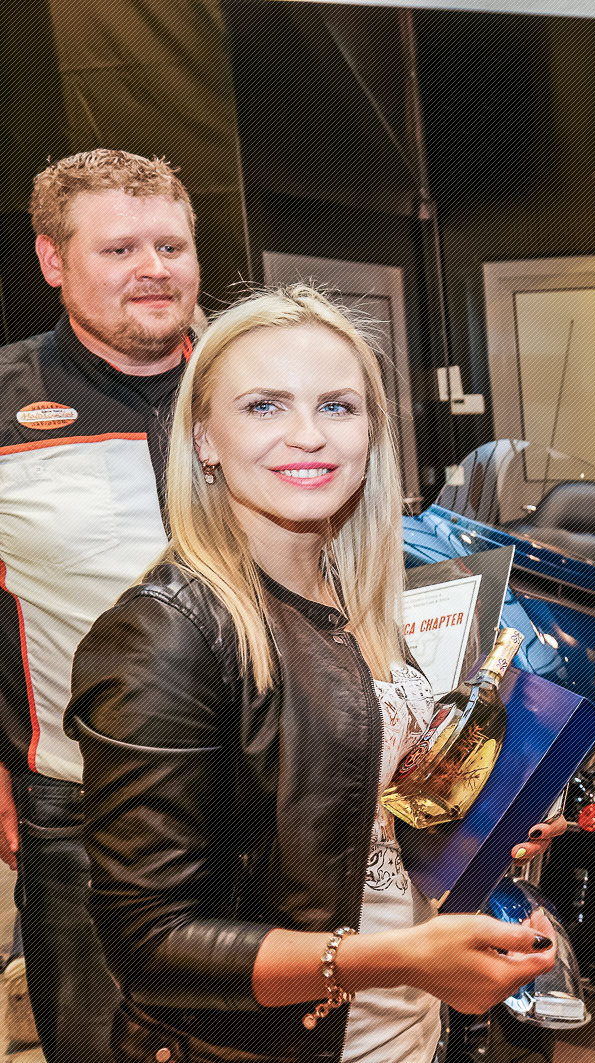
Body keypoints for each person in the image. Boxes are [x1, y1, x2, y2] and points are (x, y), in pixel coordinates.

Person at [67, 286, 557, 1062]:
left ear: (371, 432)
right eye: (265, 406)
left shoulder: (354, 592)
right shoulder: (166, 633)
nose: (309, 434)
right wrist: (399, 957)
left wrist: (474, 829)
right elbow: (149, 944)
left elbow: (349, 815)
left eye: (337, 405)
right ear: (203, 439)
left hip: (406, 1029)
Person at [0, 148, 203, 1061]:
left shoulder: (263, 386)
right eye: (119, 249)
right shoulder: (6, 403)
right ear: (53, 259)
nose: (152, 269)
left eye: (171, 246)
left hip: (274, 787)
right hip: (79, 810)